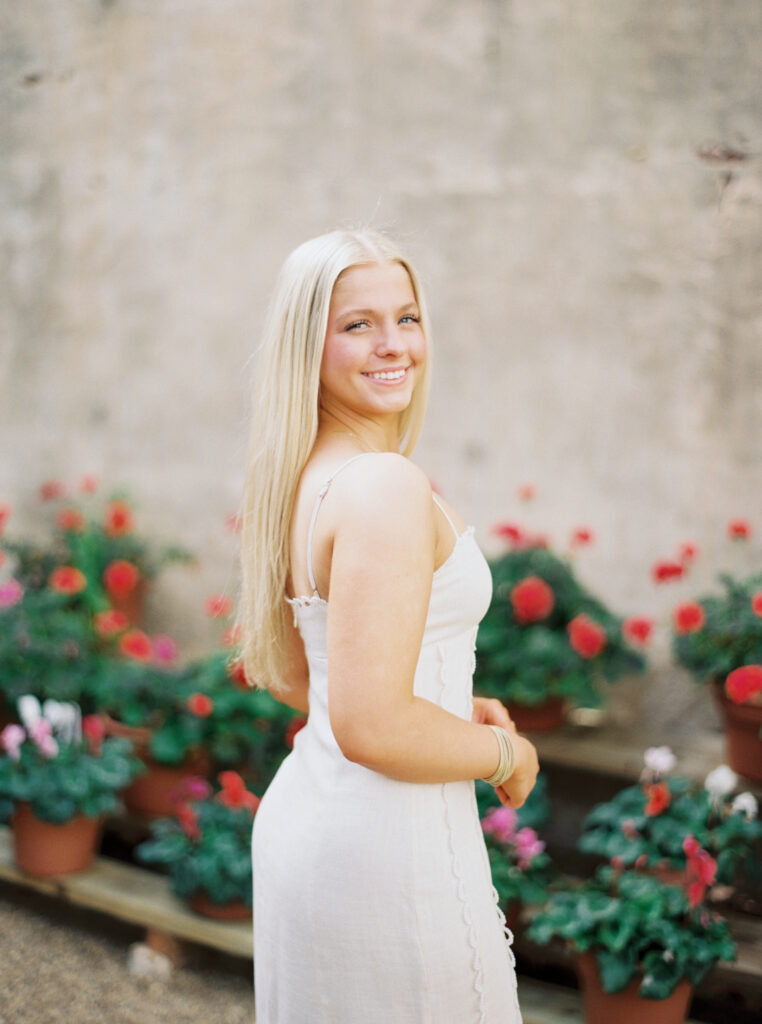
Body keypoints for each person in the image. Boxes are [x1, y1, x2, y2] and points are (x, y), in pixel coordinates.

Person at [236, 228, 540, 1023]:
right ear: (310, 343)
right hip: (383, 849)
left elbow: (303, 675)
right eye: (358, 324)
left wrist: (441, 708)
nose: (393, 345)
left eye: (406, 318)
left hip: (329, 827)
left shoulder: (311, 476)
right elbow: (370, 723)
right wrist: (509, 750)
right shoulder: (381, 485)